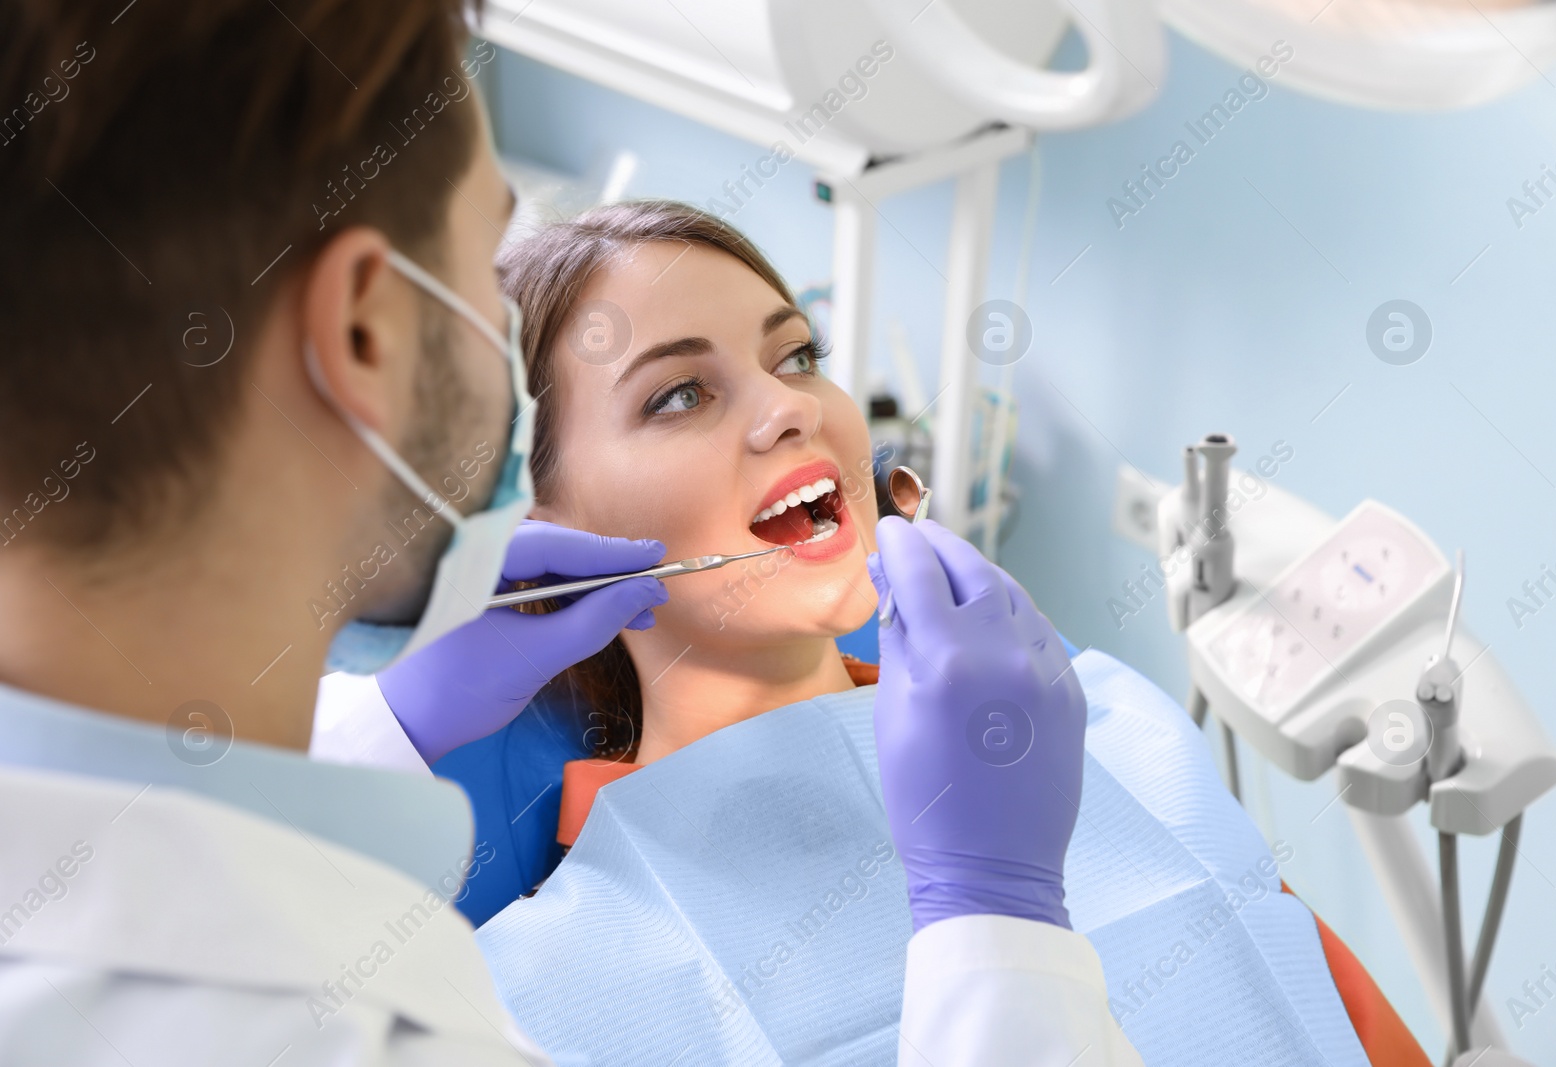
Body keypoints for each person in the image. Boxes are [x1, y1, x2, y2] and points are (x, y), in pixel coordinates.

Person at [0, 2, 1131, 1065]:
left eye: (797, 355)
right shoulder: (503, 988)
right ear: (364, 330)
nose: (792, 406)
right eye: (677, 394)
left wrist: (397, 724)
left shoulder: (1115, 728)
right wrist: (1000, 922)